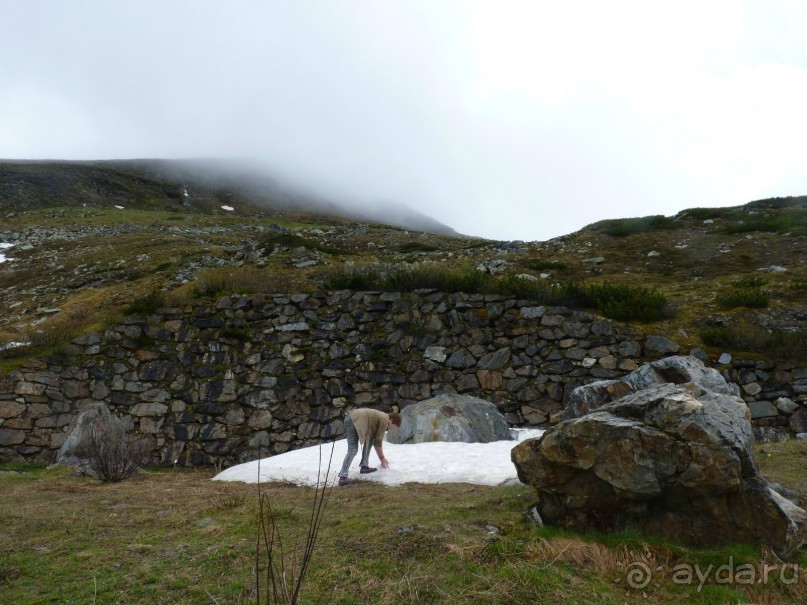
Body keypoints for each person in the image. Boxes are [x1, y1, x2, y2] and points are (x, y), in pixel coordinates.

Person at [337, 408, 401, 486]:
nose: (392, 428)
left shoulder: (382, 417)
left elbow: (374, 440)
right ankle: (343, 476)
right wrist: (382, 458)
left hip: (350, 418)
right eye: (393, 426)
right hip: (354, 419)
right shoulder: (385, 420)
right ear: (391, 420)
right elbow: (378, 442)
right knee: (353, 449)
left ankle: (364, 466)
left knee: (370, 439)